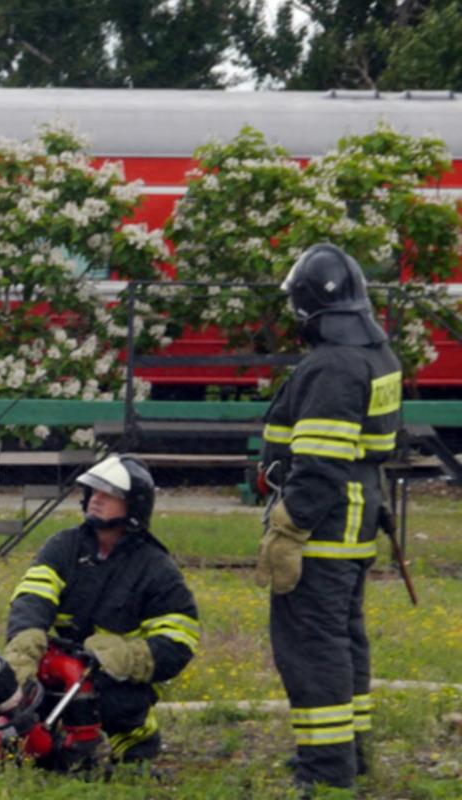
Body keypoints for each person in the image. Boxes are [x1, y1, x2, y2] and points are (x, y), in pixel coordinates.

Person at [256, 243, 401, 791]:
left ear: (308, 308)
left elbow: (319, 465)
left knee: (312, 647)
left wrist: (288, 528)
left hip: (322, 529)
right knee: (342, 640)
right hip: (355, 522)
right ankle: (350, 752)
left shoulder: (333, 366)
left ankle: (326, 767)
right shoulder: (373, 355)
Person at [0, 454, 200, 768]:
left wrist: (124, 655)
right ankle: (25, 742)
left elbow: (179, 640)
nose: (96, 499)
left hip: (112, 679)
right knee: (20, 691)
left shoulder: (156, 568)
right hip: (64, 669)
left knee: (107, 702)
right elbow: (33, 597)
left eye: (109, 494)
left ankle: (132, 742)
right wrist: (25, 646)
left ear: (133, 506)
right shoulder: (64, 547)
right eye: (94, 491)